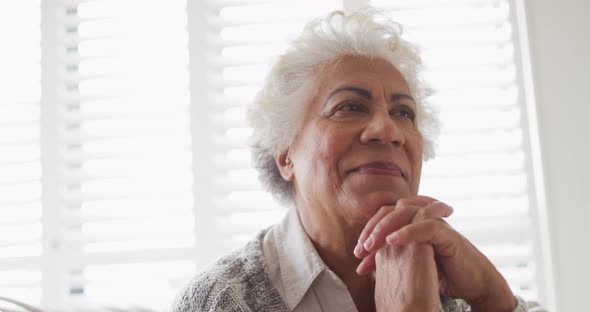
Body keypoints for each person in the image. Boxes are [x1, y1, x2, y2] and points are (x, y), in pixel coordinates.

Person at [172, 8, 544, 312]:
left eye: (404, 113)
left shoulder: (457, 284)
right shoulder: (220, 301)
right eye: (349, 107)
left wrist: (493, 299)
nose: (389, 130)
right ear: (285, 154)